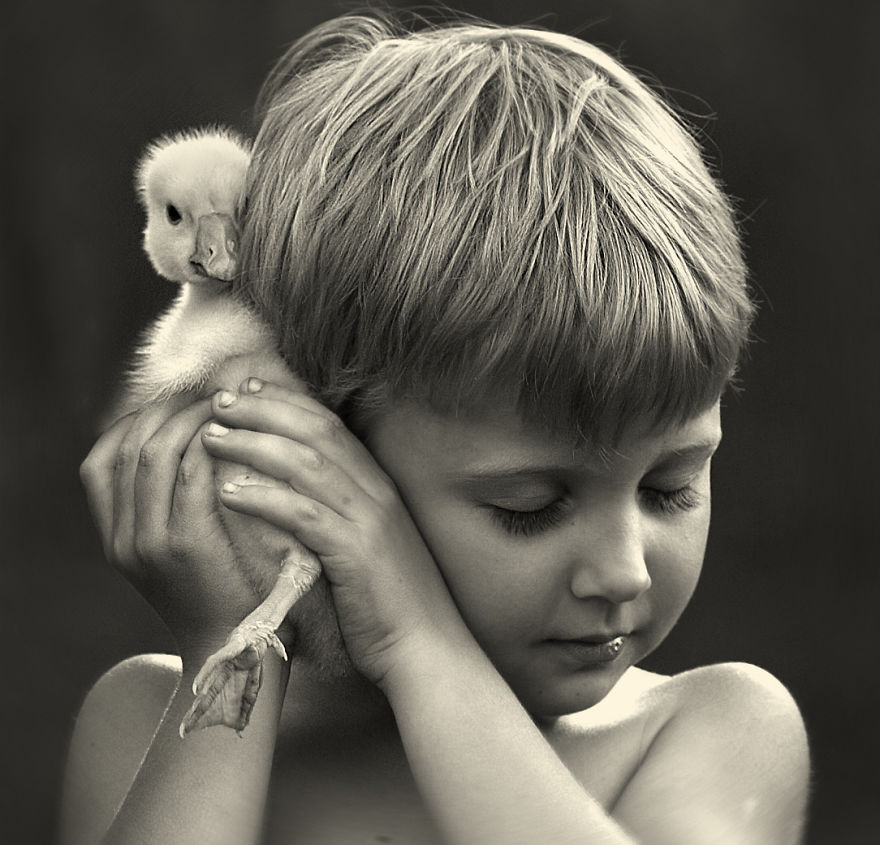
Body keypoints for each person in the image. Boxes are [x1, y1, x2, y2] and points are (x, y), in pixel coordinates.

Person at [61, 13, 810, 844]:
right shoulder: (154, 717)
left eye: (671, 489)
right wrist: (242, 641)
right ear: (310, 451)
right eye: (529, 505)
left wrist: (418, 639)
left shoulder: (715, 728)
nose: (623, 571)